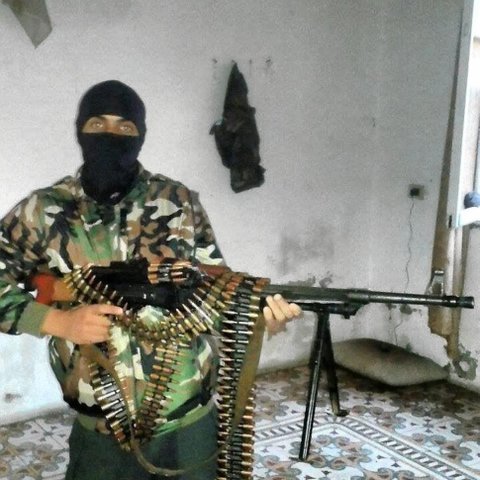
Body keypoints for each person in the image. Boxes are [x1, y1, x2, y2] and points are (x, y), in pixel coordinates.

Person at [0, 80, 301, 479]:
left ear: (140, 135)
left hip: (186, 419)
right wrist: (58, 321)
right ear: (80, 130)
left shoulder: (178, 202)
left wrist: (257, 317)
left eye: (125, 127)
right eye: (98, 123)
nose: (111, 135)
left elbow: (213, 292)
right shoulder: (43, 210)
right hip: (99, 424)